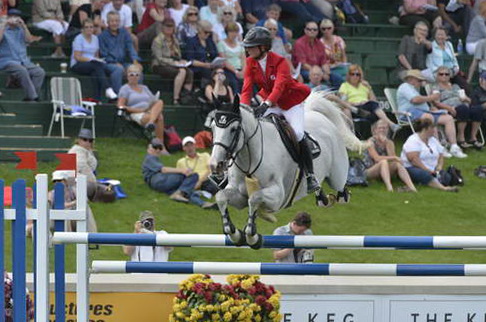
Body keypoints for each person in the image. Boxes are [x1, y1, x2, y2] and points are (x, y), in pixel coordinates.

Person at [241, 26, 320, 193]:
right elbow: (247, 87)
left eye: (251, 46)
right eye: (247, 46)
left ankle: (310, 175)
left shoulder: (280, 61)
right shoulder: (250, 62)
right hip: (272, 103)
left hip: (291, 103)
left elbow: (279, 86)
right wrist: (243, 108)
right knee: (254, 129)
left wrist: (266, 104)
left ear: (263, 47)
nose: (248, 49)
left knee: (297, 133)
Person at [397, 69, 467, 158]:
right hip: (408, 113)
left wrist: (431, 108)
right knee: (429, 117)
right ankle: (438, 147)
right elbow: (415, 100)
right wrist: (432, 97)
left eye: (422, 80)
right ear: (411, 79)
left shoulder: (414, 89)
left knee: (448, 118)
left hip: (423, 112)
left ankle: (454, 147)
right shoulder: (405, 86)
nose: (421, 82)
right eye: (419, 80)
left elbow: (421, 102)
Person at [142, 138, 216, 208]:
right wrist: (182, 171)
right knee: (193, 175)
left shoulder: (205, 155)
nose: (158, 150)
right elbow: (163, 170)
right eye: (155, 147)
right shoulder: (150, 158)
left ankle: (202, 203)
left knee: (186, 192)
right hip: (157, 179)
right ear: (149, 148)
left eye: (160, 148)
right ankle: (180, 193)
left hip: (160, 184)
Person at [117, 64, 168, 153]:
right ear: (127, 76)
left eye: (137, 74)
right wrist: (140, 110)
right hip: (136, 113)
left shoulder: (144, 88)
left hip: (149, 110)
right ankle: (161, 146)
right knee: (159, 117)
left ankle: (151, 124)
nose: (134, 77)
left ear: (140, 76)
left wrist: (151, 105)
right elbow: (120, 106)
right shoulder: (125, 89)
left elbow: (153, 100)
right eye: (131, 74)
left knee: (160, 101)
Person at [400, 118, 459, 192]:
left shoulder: (433, 140)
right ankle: (443, 188)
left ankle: (432, 181)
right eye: (432, 128)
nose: (434, 130)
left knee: (447, 177)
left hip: (432, 169)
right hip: (413, 168)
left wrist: (439, 166)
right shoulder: (413, 140)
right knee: (424, 174)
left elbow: (441, 154)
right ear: (425, 129)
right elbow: (413, 160)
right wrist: (427, 170)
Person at [432, 66, 483, 149]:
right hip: (449, 108)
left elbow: (469, 100)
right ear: (437, 76)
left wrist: (466, 99)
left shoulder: (455, 86)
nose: (444, 76)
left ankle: (473, 138)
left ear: (450, 76)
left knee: (478, 109)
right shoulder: (435, 87)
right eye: (441, 74)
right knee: (463, 108)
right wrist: (449, 108)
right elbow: (436, 103)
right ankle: (461, 138)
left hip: (463, 105)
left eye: (446, 74)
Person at [338, 64, 401, 132]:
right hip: (354, 109)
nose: (355, 76)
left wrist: (369, 87)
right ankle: (391, 124)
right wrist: (356, 103)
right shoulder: (344, 86)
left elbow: (374, 101)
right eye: (352, 74)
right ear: (349, 75)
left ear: (360, 76)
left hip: (367, 108)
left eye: (357, 74)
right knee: (348, 109)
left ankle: (386, 129)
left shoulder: (364, 85)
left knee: (373, 105)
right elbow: (343, 102)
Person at [0, 10, 45, 101]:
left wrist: (24, 26)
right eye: (12, 17)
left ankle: (30, 97)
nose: (14, 19)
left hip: (23, 61)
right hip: (7, 61)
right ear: (8, 17)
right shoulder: (3, 29)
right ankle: (34, 97)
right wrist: (4, 24)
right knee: (22, 70)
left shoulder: (21, 29)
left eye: (16, 17)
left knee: (39, 72)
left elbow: (29, 40)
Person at [70, 19, 117, 101]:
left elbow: (96, 55)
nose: (89, 29)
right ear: (83, 29)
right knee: (96, 66)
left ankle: (97, 99)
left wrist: (96, 60)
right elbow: (77, 57)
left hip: (92, 65)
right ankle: (108, 89)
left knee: (96, 71)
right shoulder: (78, 39)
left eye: (91, 27)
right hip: (78, 64)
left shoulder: (95, 38)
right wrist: (91, 59)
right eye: (86, 27)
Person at [364, 120, 417, 192]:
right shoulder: (370, 142)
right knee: (383, 162)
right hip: (370, 170)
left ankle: (412, 187)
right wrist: (394, 157)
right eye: (380, 128)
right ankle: (389, 187)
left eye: (385, 128)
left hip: (385, 170)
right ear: (375, 130)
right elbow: (376, 158)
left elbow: (393, 159)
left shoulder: (389, 142)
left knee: (397, 164)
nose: (382, 130)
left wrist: (387, 143)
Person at [152, 18, 193, 105]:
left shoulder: (174, 39)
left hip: (174, 63)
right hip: (160, 65)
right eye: (167, 26)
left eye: (171, 26)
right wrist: (173, 63)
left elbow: (178, 55)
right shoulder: (157, 40)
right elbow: (159, 58)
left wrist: (181, 60)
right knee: (181, 71)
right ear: (162, 27)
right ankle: (176, 98)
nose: (169, 28)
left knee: (190, 72)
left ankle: (185, 95)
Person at [99, 11, 142, 94]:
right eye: (112, 21)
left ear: (119, 22)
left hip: (123, 62)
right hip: (108, 63)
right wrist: (114, 62)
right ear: (107, 22)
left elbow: (130, 48)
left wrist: (135, 61)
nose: (114, 23)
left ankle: (136, 95)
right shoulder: (102, 36)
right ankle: (118, 96)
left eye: (116, 21)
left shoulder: (124, 33)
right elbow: (104, 54)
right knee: (118, 69)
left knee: (135, 69)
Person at [217, 21, 245, 93]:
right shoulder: (221, 44)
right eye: (231, 32)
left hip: (240, 69)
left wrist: (243, 71)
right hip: (228, 70)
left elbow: (243, 59)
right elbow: (224, 60)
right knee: (234, 82)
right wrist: (236, 71)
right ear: (227, 32)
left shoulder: (240, 45)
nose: (234, 34)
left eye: (236, 32)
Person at [469, 71, 486, 149]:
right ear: (481, 80)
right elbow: (474, 107)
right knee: (478, 110)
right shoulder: (475, 92)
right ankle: (473, 138)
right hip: (480, 114)